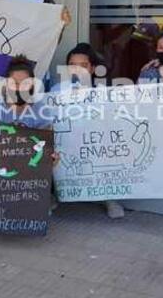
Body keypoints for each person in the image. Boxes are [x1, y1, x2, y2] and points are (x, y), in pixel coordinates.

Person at [50, 43, 125, 219]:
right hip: (66, 142)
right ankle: (50, 195)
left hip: (93, 142)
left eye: (83, 65)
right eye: (72, 65)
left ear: (92, 68)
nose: (77, 70)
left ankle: (109, 198)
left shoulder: (102, 91)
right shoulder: (56, 91)